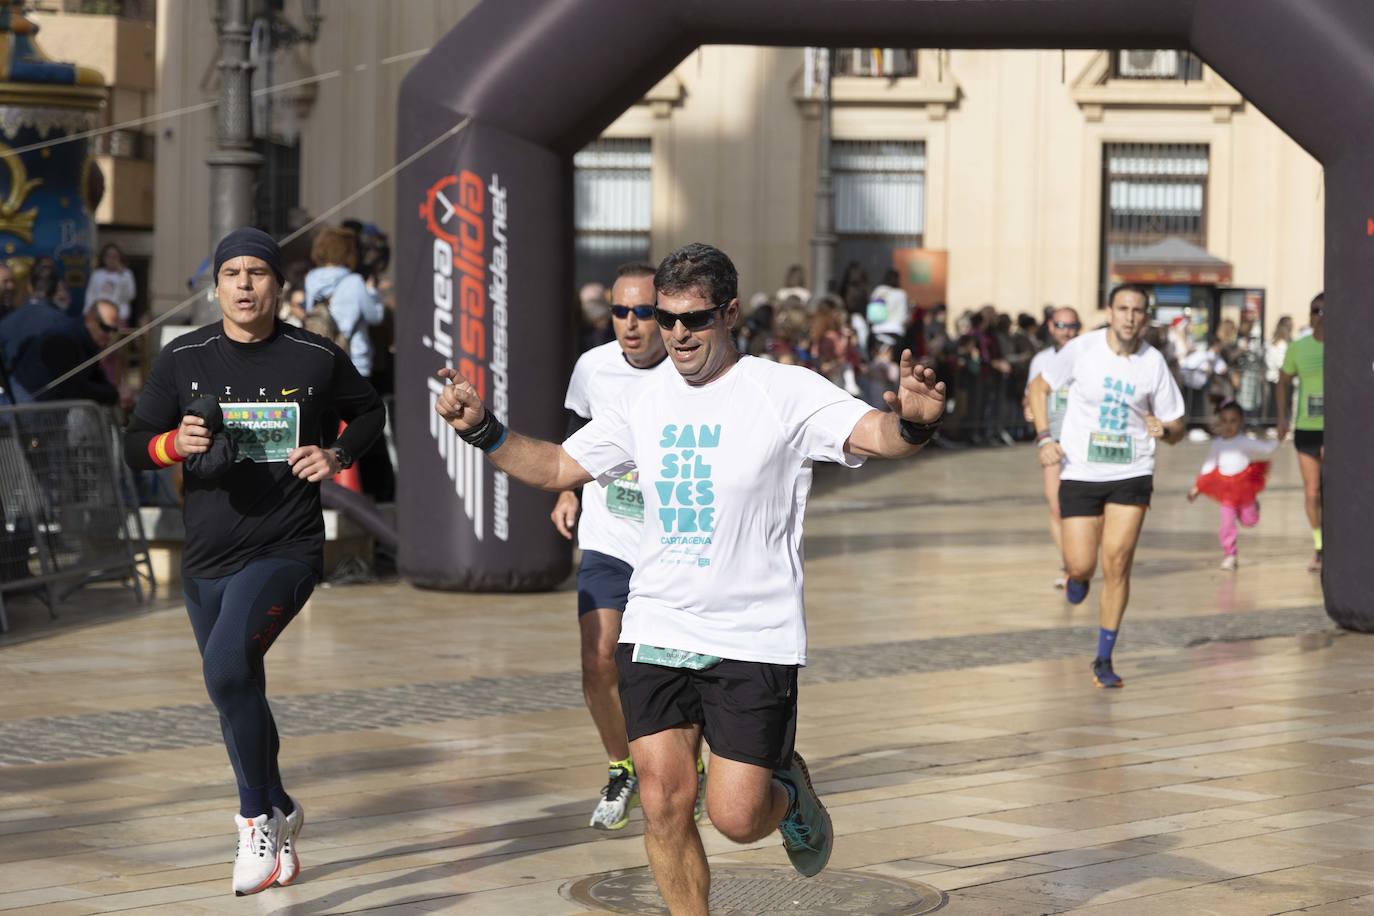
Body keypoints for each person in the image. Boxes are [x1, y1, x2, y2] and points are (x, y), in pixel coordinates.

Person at [434, 242, 945, 915]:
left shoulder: (783, 390)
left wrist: (915, 419)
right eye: (663, 318)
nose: (677, 334)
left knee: (735, 816)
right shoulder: (643, 401)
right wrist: (484, 431)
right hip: (657, 624)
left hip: (752, 634)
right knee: (664, 803)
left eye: (695, 319)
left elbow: (877, 435)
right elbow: (558, 466)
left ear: (730, 313)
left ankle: (789, 792)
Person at [123, 228, 385, 897]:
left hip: (285, 547)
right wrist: (172, 444)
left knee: (226, 668)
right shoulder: (186, 355)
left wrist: (336, 456)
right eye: (232, 272)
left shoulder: (313, 357)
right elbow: (134, 444)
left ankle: (253, 823)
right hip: (207, 554)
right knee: (236, 687)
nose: (244, 285)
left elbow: (367, 412)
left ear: (278, 284)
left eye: (257, 273)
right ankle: (282, 807)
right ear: (216, 284)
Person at [549, 261, 690, 831]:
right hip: (608, 536)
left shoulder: (690, 372)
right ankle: (621, 764)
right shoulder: (593, 367)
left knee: (672, 663)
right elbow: (573, 436)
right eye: (619, 311)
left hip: (672, 543)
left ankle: (687, 765)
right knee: (598, 656)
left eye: (643, 312)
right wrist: (566, 491)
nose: (630, 324)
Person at [1028, 285, 1185, 689]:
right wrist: (1046, 438)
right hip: (1081, 470)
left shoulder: (1153, 364)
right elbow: (1038, 388)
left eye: (1138, 310)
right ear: (1110, 312)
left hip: (1132, 471)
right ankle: (1077, 579)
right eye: (1123, 308)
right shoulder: (1081, 349)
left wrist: (1164, 430)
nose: (1130, 317)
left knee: (1118, 562)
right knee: (1082, 565)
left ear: (1146, 317)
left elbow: (1177, 425)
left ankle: (1104, 658)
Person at [1024, 307, 1080, 587]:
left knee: (1081, 507)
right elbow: (1030, 396)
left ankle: (1080, 561)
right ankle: (1070, 565)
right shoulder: (1042, 360)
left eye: (1072, 325)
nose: (1066, 331)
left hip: (1081, 439)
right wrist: (1030, 411)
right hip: (1052, 438)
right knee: (1056, 505)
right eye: (1060, 325)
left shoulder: (1085, 355)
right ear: (1050, 326)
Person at [1188, 402, 1277, 570]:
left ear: (1240, 421)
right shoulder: (1217, 444)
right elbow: (1209, 465)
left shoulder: (1244, 441)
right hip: (1226, 489)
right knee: (1227, 523)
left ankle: (1254, 508)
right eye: (1224, 421)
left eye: (1233, 421)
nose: (1228, 425)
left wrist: (1278, 438)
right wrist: (1197, 487)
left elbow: (1265, 449)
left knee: (1249, 521)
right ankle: (1230, 554)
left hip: (1244, 487)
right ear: (1219, 422)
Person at [1276, 292, 1325, 572]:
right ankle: (1319, 546)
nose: (1320, 316)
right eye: (1315, 311)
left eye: (1325, 311)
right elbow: (1282, 382)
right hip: (1306, 428)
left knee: (1334, 492)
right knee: (1312, 492)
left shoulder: (1346, 345)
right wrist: (1282, 418)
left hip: (1338, 431)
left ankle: (1338, 543)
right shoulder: (1299, 348)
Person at [20, 299, 125, 406]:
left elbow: (95, 377)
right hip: (31, 406)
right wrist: (114, 394)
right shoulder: (63, 340)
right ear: (89, 319)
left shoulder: (88, 342)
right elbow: (73, 389)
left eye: (114, 330)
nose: (110, 335)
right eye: (105, 328)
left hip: (51, 409)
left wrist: (115, 391)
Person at [0, 267, 67, 402]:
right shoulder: (60, 320)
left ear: (29, 287)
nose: (11, 286)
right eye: (5, 281)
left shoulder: (11, 317)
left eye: (12, 281)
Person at [87, 243, 137, 325]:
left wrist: (122, 277)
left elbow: (130, 295)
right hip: (99, 316)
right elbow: (90, 295)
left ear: (120, 258)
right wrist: (88, 312)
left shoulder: (126, 274)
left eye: (114, 256)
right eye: (108, 256)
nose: (111, 259)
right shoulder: (97, 274)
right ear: (103, 258)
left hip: (120, 316)